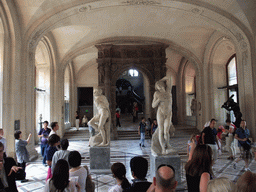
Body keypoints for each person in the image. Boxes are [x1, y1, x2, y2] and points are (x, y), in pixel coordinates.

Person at [152, 76, 173, 155]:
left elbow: (169, 78)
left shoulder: (168, 91)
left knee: (166, 131)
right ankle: (163, 148)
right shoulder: (157, 93)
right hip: (160, 113)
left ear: (163, 85)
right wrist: (158, 100)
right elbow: (153, 105)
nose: (159, 87)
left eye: (160, 85)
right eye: (158, 86)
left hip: (168, 113)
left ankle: (167, 145)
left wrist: (160, 79)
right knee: (161, 130)